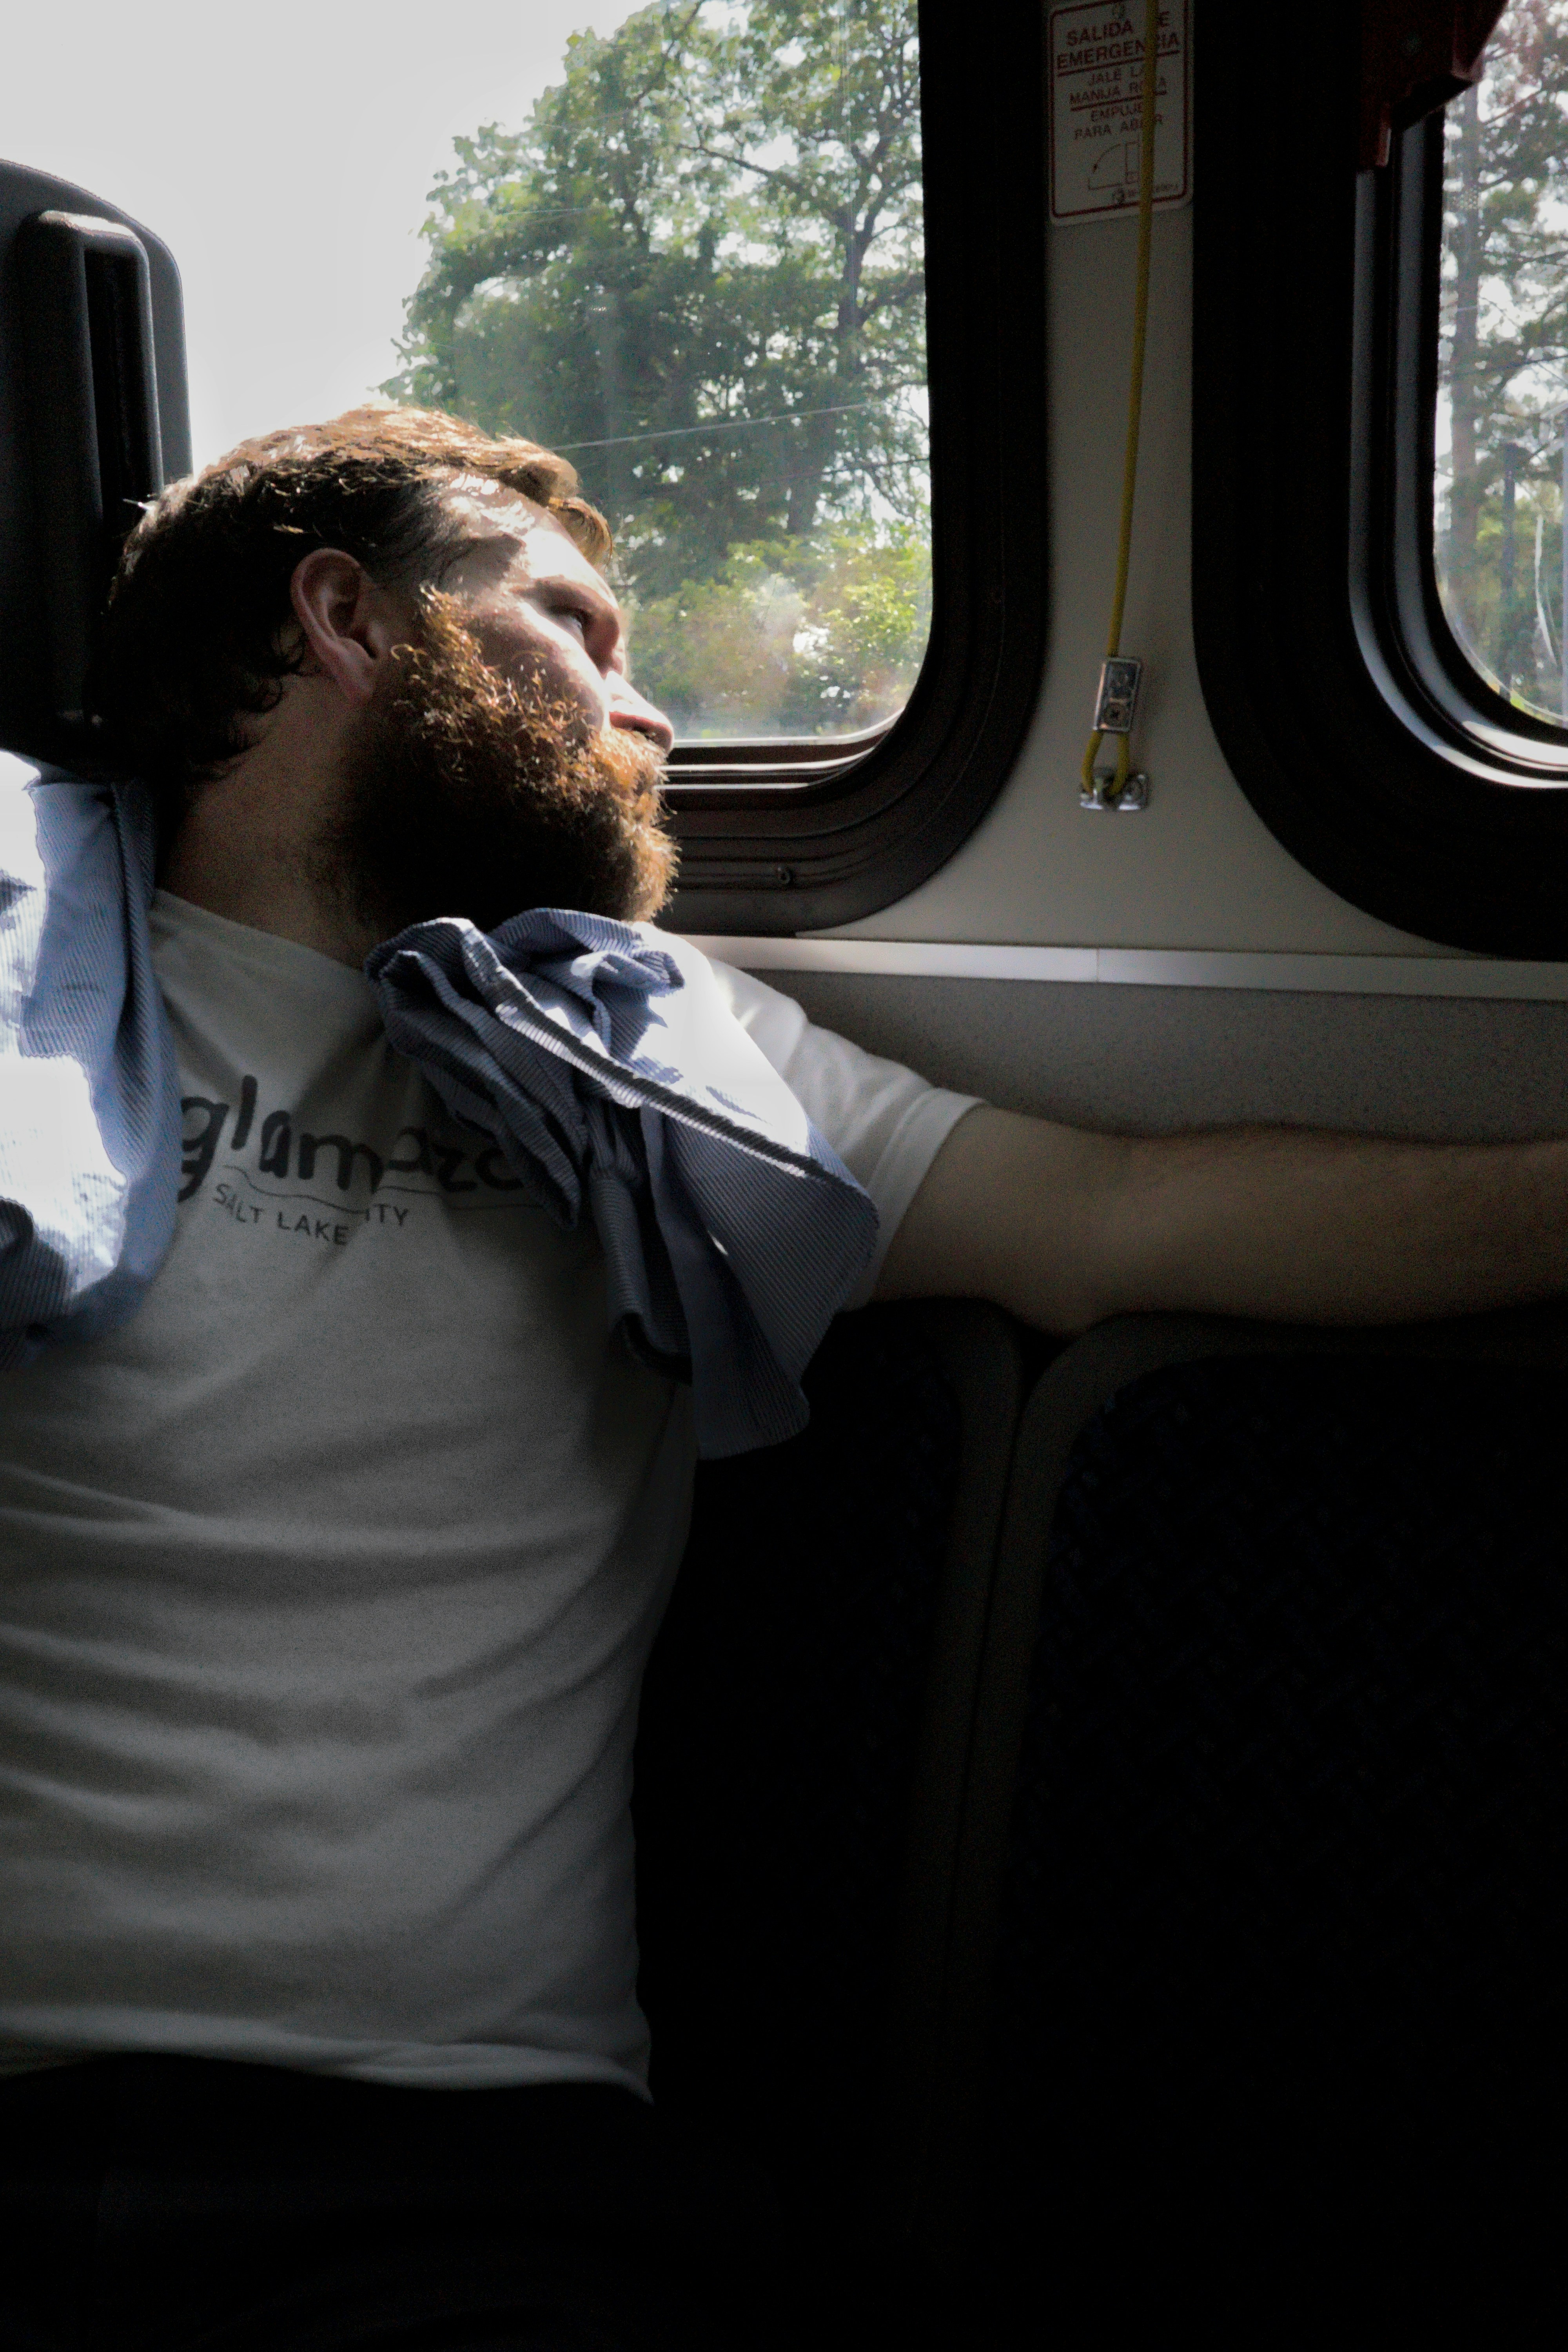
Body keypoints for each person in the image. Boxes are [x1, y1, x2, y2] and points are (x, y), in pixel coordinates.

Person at [0, 406, 1563, 2351]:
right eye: (576, 624)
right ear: (345, 622)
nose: (645, 716)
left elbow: (1122, 1218)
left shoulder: (673, 1074)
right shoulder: (28, 1012)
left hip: (453, 2164)